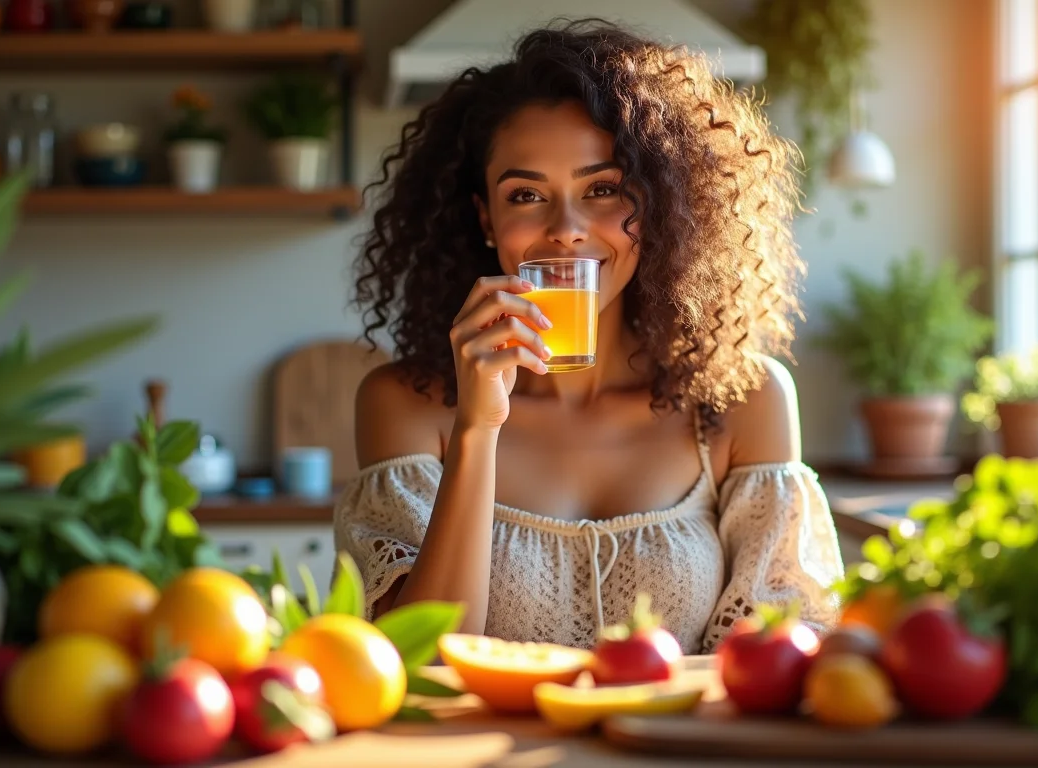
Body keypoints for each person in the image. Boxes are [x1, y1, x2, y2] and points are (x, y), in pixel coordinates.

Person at [335, 19, 845, 654]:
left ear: (654, 205)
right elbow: (414, 663)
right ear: (487, 221)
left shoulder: (744, 400)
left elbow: (780, 656)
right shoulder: (404, 403)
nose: (567, 228)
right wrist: (476, 429)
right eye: (526, 195)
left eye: (602, 189)